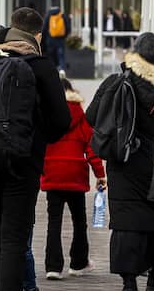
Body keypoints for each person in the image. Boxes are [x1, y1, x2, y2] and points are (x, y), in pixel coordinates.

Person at [0, 7, 70, 291]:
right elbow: (61, 120)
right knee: (14, 236)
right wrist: (37, 136)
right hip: (22, 159)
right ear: (38, 35)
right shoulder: (40, 66)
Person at [87, 33, 154, 291]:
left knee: (126, 220)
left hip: (123, 160)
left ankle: (129, 281)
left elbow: (91, 116)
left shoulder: (116, 82)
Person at [40, 78, 106, 280]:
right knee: (79, 221)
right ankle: (78, 263)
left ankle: (53, 266)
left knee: (54, 222)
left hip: (53, 172)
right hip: (75, 174)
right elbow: (91, 148)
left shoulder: (45, 115)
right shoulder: (80, 116)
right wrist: (100, 174)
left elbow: (39, 145)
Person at [41, 6, 71, 72]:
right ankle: (62, 69)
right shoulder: (62, 15)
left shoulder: (48, 15)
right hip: (60, 40)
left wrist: (43, 38)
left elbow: (44, 28)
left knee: (51, 56)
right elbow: (67, 28)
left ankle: (52, 70)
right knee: (61, 55)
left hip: (50, 40)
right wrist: (63, 36)